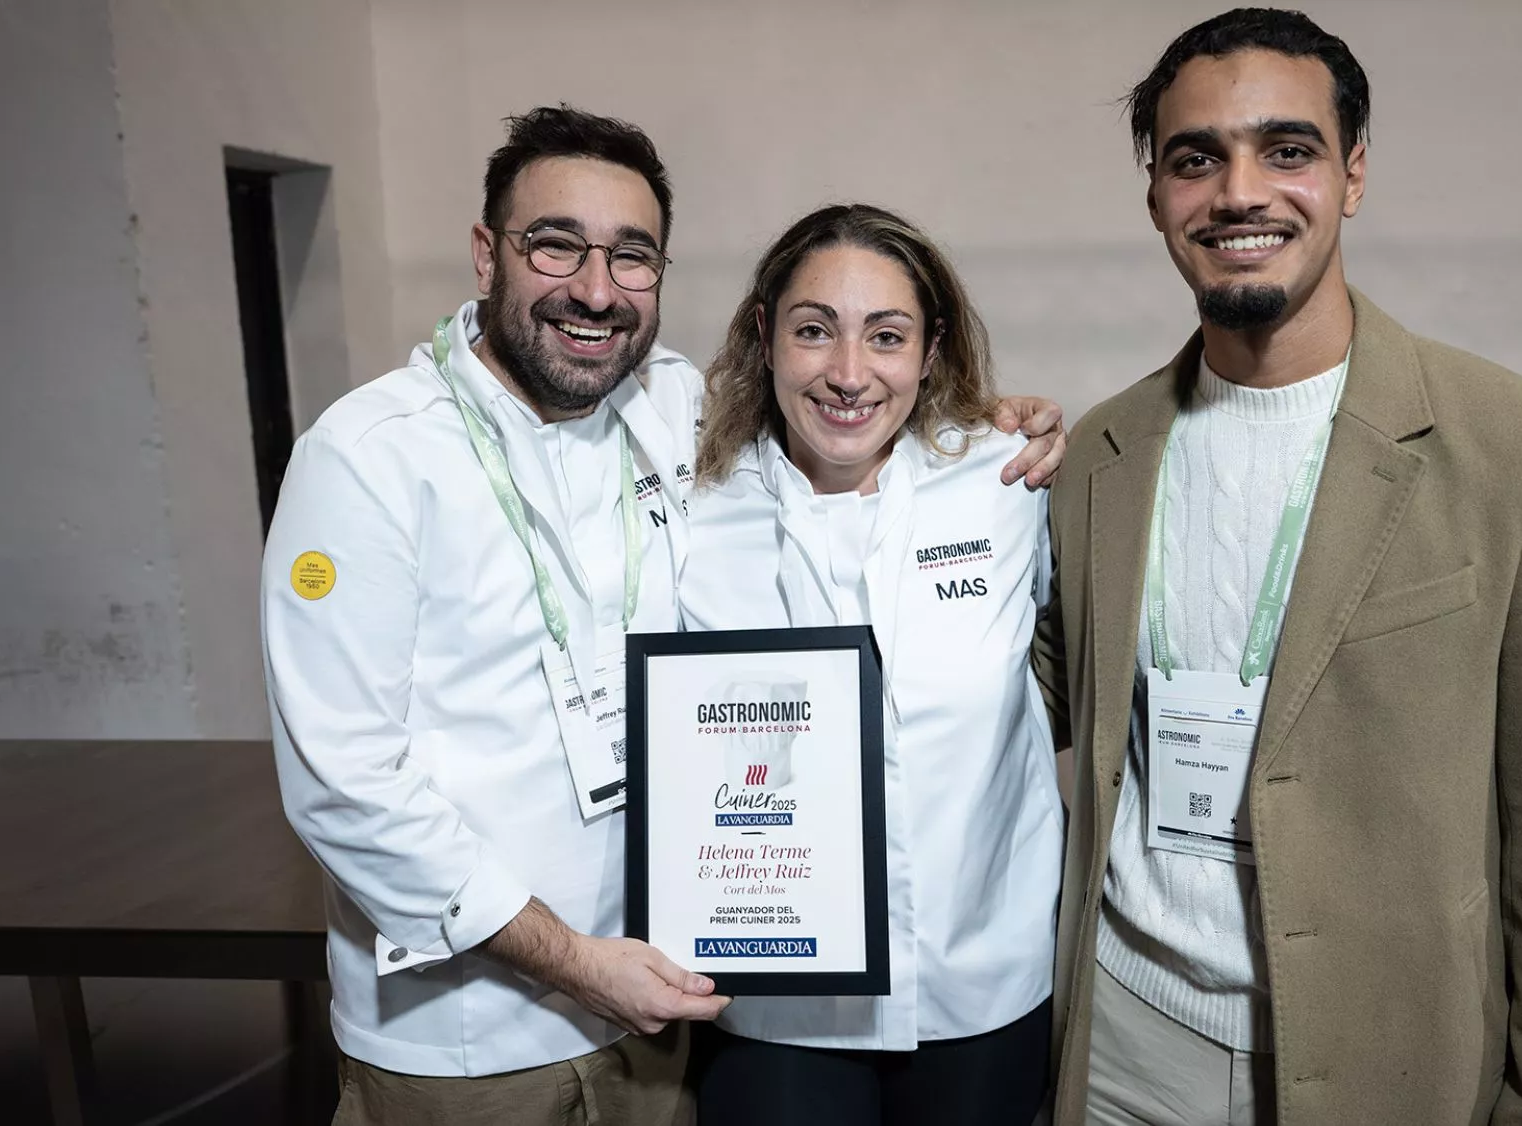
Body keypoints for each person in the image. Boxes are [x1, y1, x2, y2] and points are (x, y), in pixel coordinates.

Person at [262, 107, 1065, 1123]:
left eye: (630, 257)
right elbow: (345, 785)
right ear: (483, 254)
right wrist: (574, 962)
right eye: (554, 244)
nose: (594, 290)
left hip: (659, 1003)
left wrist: (1002, 417)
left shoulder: (670, 410)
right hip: (474, 1026)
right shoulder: (367, 458)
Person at [1031, 10, 1522, 1126]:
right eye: (1193, 159)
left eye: (1286, 149)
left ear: (1351, 172)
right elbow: (1012, 698)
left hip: (1386, 1058)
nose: (1236, 193)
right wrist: (933, 449)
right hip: (1122, 1040)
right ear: (1156, 196)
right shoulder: (1096, 457)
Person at [680, 203, 1062, 1126]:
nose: (849, 374)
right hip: (772, 1002)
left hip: (981, 988)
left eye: (886, 336)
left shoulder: (1006, 481)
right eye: (815, 331)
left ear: (930, 353)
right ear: (764, 338)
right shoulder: (692, 509)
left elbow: (1070, 652)